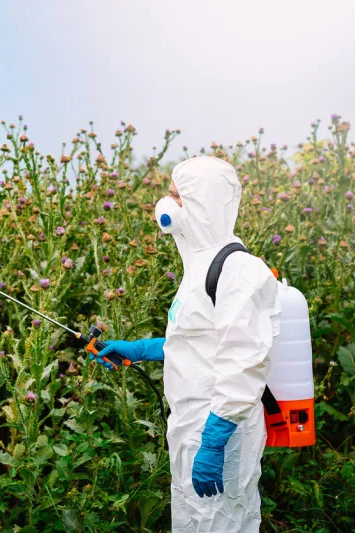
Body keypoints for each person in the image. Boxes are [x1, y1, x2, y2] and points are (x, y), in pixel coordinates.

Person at [91, 156, 281, 532]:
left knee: (222, 521)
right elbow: (201, 341)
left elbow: (245, 361)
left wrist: (214, 440)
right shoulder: (200, 264)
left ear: (203, 204)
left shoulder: (238, 270)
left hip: (220, 427)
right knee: (195, 519)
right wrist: (141, 349)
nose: (166, 204)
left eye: (177, 196)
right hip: (191, 422)